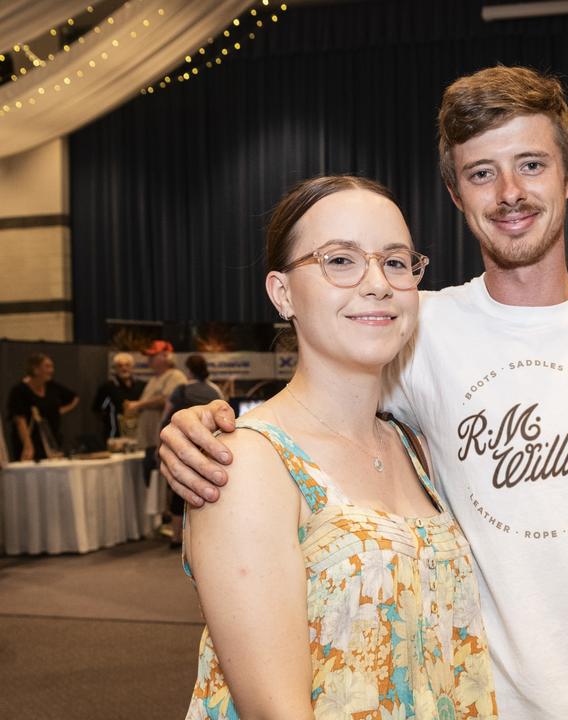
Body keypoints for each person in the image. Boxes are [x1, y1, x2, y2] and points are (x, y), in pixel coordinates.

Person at [162, 66, 568, 720]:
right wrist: (199, 423)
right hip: (475, 702)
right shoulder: (412, 324)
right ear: (456, 192)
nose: (509, 192)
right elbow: (314, 401)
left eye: (531, 164)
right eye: (482, 173)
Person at [182, 175, 496, 719]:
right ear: (283, 293)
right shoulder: (249, 464)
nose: (377, 283)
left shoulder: (412, 446)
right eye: (341, 261)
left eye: (396, 262)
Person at [160, 355, 224, 548]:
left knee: (179, 491)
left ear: (188, 370)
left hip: (183, 446)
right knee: (208, 489)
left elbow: (166, 417)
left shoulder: (181, 390)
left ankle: (176, 536)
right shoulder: (215, 390)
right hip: (210, 448)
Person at [125, 340, 187, 492]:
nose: (149, 360)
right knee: (151, 487)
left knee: (162, 488)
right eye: (149, 356)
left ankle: (166, 515)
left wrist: (138, 405)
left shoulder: (175, 376)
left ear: (166, 356)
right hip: (150, 442)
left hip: (163, 442)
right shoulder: (154, 379)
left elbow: (168, 399)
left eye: (153, 356)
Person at [7, 353, 79, 461]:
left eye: (52, 367)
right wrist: (28, 445)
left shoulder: (52, 386)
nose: (51, 370)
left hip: (52, 440)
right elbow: (19, 420)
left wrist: (60, 411)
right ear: (35, 369)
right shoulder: (19, 390)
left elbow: (74, 397)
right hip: (32, 441)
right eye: (47, 366)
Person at [92, 352, 143, 441]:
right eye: (120, 366)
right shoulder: (107, 387)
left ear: (132, 367)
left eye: (127, 365)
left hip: (138, 435)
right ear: (115, 368)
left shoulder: (141, 386)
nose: (124, 368)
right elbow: (97, 410)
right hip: (114, 436)